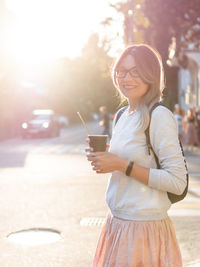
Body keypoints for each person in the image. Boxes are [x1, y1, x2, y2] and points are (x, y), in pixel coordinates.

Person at [86, 44, 187, 266]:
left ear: (151, 75)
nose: (126, 78)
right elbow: (129, 158)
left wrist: (122, 164)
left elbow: (178, 182)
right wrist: (106, 159)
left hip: (144, 231)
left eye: (135, 71)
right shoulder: (122, 115)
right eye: (121, 71)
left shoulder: (159, 116)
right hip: (116, 225)